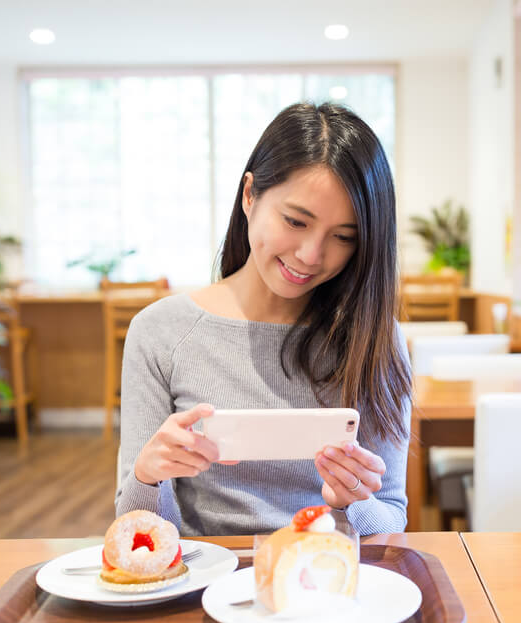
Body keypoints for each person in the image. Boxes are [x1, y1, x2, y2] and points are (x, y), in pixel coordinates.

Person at [115, 102, 412, 535]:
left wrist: (354, 502)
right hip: (204, 580)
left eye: (343, 237)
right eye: (295, 221)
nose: (311, 255)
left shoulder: (373, 339)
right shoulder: (160, 332)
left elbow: (392, 516)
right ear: (249, 195)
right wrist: (148, 475)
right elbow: (138, 531)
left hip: (325, 579)